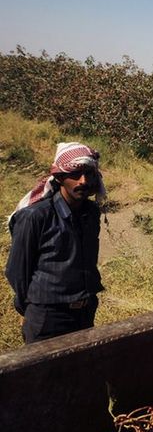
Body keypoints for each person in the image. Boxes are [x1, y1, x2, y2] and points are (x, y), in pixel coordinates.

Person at [5, 142, 107, 344]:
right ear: (60, 177)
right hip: (48, 316)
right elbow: (17, 272)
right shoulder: (35, 216)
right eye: (75, 174)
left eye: (89, 174)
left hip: (85, 312)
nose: (83, 181)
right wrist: (35, 307)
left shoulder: (91, 212)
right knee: (44, 374)